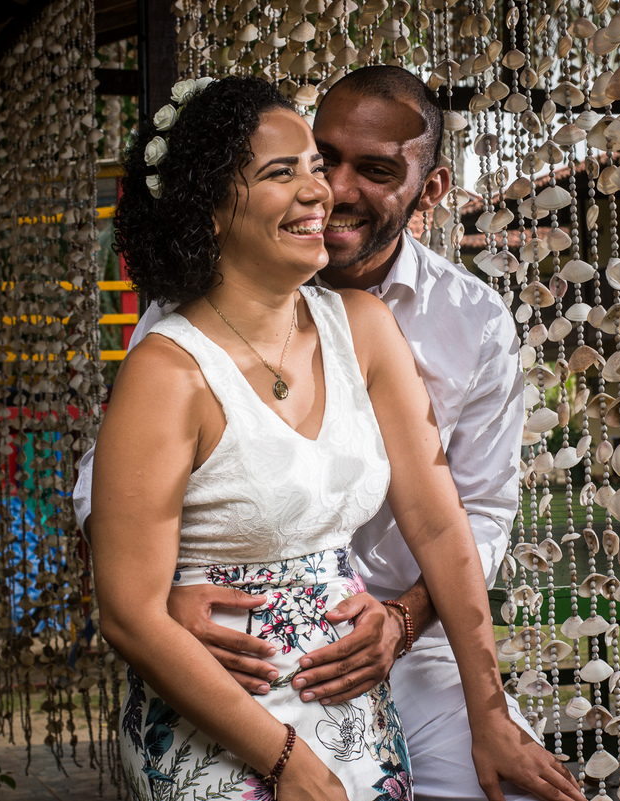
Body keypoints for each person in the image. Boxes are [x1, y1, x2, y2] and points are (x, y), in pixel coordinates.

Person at [87, 74, 582, 801]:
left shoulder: (402, 324)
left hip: (392, 655)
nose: (327, 191)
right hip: (230, 677)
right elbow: (121, 564)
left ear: (430, 187)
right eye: (297, 167)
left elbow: (457, 518)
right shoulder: (174, 345)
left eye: (352, 170)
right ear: (214, 206)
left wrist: (481, 700)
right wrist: (166, 597)